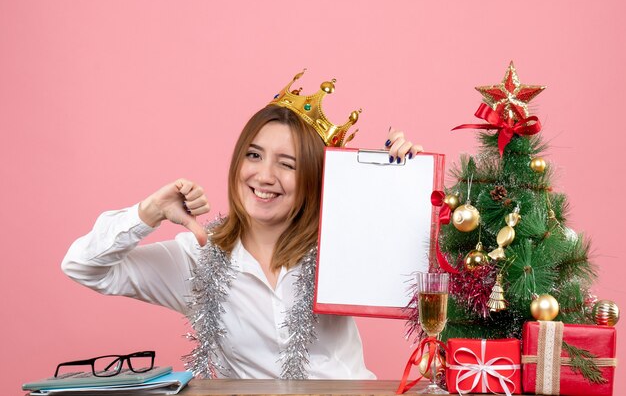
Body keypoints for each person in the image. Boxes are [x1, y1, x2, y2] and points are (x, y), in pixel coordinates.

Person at [62, 72, 423, 380]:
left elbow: (421, 279)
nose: (264, 176)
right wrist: (150, 211)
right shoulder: (197, 258)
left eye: (288, 164)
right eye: (254, 155)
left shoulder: (340, 243)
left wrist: (403, 185)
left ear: (314, 178)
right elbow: (83, 266)